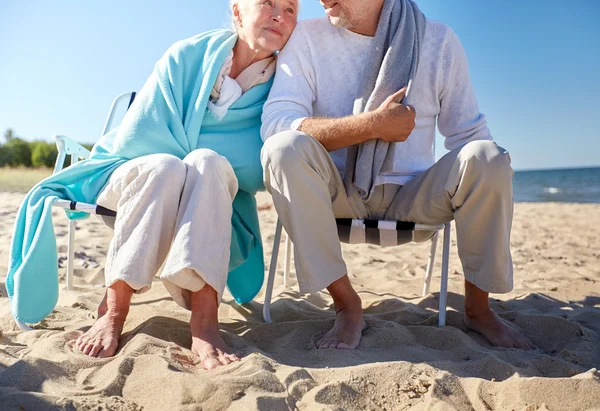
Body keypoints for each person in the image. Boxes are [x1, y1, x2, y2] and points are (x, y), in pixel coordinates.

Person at [7, 0, 297, 371]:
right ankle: (112, 311)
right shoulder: (187, 57)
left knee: (206, 162)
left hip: (209, 194)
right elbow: (140, 138)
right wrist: (200, 154)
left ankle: (205, 323)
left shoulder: (284, 85)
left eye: (290, 9)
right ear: (238, 12)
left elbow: (257, 171)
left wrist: (199, 152)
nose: (279, 15)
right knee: (166, 166)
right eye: (268, 3)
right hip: (130, 176)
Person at [260, 0, 535, 351]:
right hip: (337, 194)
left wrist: (487, 179)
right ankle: (346, 303)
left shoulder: (438, 40)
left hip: (416, 199)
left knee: (489, 157)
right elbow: (277, 123)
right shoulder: (306, 38)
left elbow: (468, 136)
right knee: (282, 147)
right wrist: (370, 126)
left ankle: (478, 310)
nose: (322, 0)